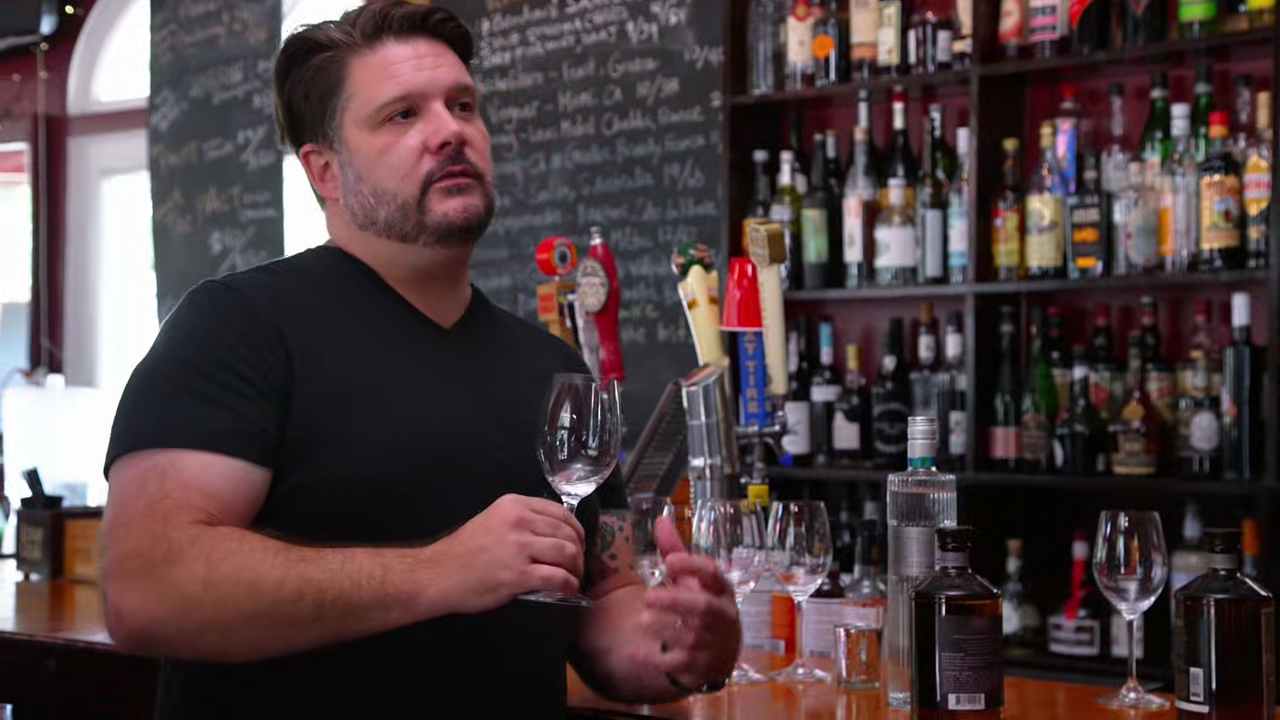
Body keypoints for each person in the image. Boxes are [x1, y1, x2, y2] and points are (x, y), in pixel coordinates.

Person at [98, 4, 740, 718]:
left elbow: (607, 598)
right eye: (402, 115)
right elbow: (147, 588)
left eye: (463, 105)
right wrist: (439, 572)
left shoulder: (552, 368)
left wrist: (677, 647)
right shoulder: (237, 326)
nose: (450, 130)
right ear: (325, 171)